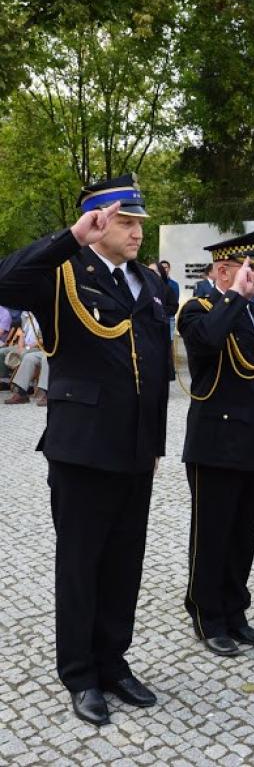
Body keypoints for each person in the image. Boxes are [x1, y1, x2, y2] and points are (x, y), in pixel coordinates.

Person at [0, 173, 170, 726]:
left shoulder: (145, 281)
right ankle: (79, 673)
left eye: (139, 222)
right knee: (81, 563)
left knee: (125, 562)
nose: (136, 231)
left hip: (136, 447)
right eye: (125, 220)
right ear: (96, 221)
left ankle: (113, 661)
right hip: (84, 446)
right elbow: (4, 281)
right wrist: (68, 237)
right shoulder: (61, 274)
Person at [178, 231, 254, 657]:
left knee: (243, 533)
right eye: (249, 269)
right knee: (213, 533)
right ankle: (207, 614)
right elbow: (207, 341)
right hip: (216, 440)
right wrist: (235, 294)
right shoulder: (197, 309)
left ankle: (236, 610)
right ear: (223, 270)